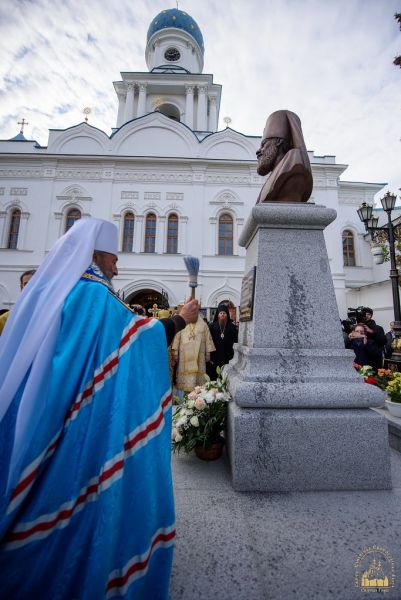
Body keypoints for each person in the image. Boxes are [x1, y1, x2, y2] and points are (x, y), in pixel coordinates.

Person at [0, 218, 198, 599]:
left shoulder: (58, 290)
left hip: (49, 408)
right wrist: (180, 319)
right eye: (113, 257)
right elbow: (135, 339)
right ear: (95, 254)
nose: (117, 266)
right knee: (68, 493)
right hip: (77, 420)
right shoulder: (92, 296)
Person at [256, 109, 313, 203]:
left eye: (264, 145)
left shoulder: (295, 162)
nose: (258, 151)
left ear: (279, 142)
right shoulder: (275, 173)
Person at [171, 313, 215, 394]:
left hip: (199, 356)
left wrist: (208, 353)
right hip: (184, 355)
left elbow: (208, 339)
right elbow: (177, 338)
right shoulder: (182, 323)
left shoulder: (203, 325)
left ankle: (196, 397)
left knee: (198, 382)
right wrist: (175, 353)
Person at [207, 303, 238, 380]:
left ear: (227, 314)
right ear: (217, 315)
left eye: (224, 313)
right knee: (214, 378)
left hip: (228, 357)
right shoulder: (211, 326)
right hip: (214, 358)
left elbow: (236, 341)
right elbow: (208, 341)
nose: (222, 315)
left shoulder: (232, 327)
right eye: (220, 313)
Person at [0, 269, 36, 335]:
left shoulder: (53, 315)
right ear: (21, 287)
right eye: (27, 284)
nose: (31, 287)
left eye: (35, 283)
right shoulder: (4, 319)